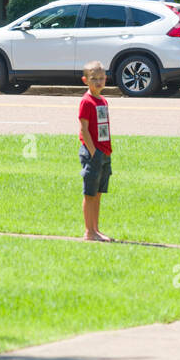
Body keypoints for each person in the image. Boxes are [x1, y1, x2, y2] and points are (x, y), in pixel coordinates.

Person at [77, 60, 113, 242]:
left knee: (98, 193)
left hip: (104, 152)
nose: (98, 82)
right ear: (86, 80)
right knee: (90, 193)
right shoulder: (86, 101)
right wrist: (93, 152)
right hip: (93, 153)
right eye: (94, 79)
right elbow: (84, 129)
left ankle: (96, 229)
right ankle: (88, 231)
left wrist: (105, 152)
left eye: (101, 78)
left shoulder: (103, 100)